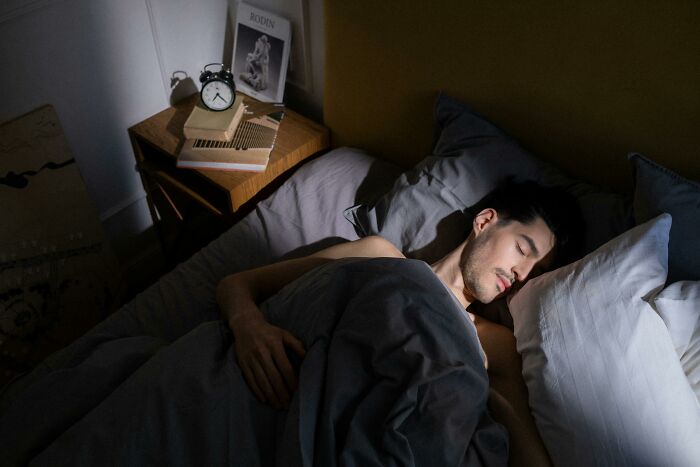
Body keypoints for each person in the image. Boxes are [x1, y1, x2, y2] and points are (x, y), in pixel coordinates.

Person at [216, 179, 582, 464]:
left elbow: (530, 456)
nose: (522, 273)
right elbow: (239, 283)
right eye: (522, 250)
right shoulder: (380, 256)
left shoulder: (493, 341)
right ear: (485, 221)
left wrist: (487, 398)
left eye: (536, 271)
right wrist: (250, 327)